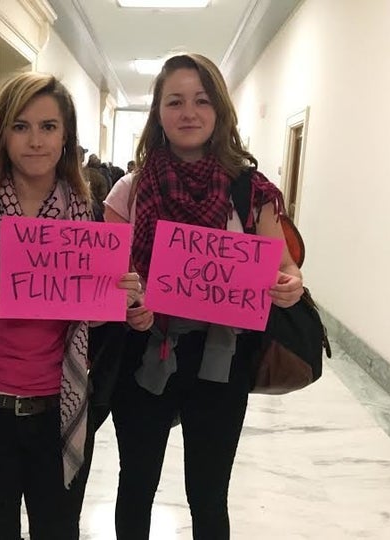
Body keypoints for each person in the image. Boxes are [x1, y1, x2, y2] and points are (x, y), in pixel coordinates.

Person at [0, 72, 143, 540]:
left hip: (58, 414)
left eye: (48, 127)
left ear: (66, 137)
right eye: (20, 127)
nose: (35, 140)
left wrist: (125, 297)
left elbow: (96, 317)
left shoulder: (90, 216)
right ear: (2, 134)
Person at [105, 53, 304, 540]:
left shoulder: (252, 193)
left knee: (209, 493)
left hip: (222, 359)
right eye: (174, 101)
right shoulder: (128, 192)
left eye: (201, 100)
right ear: (158, 113)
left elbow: (286, 269)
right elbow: (109, 284)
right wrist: (130, 303)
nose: (188, 112)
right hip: (144, 353)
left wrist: (291, 285)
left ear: (219, 111)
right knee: (136, 483)